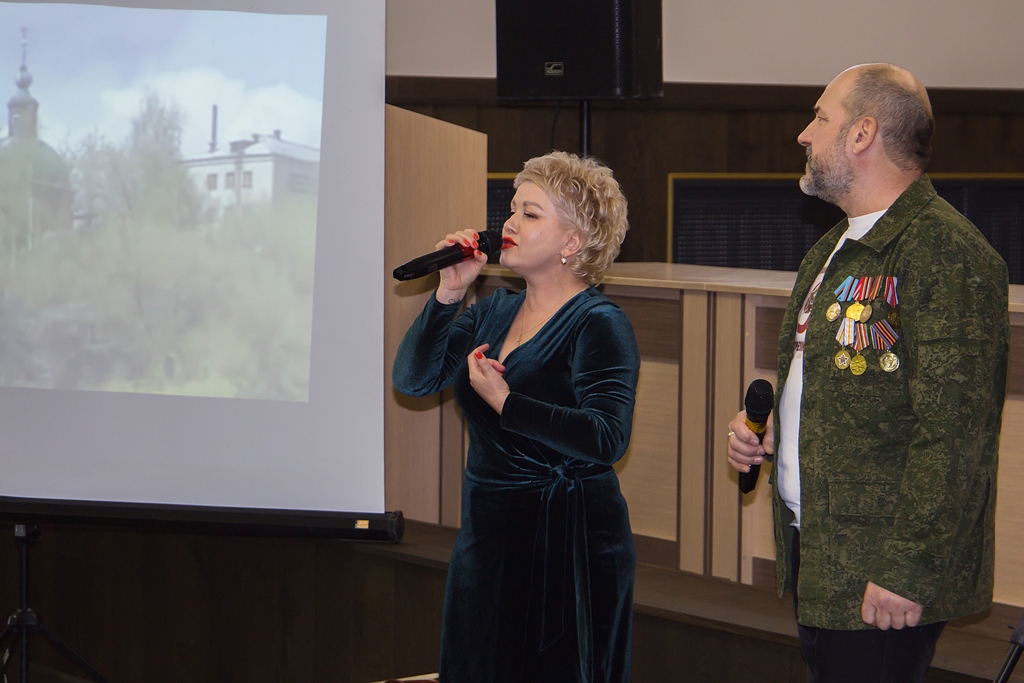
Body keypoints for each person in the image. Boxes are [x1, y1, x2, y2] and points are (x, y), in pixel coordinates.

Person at [727, 63, 1010, 683]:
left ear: (862, 134)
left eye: (820, 117)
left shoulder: (944, 252)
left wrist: (908, 568)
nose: (805, 135)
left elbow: (956, 434)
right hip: (823, 547)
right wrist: (776, 433)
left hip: (881, 565)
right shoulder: (833, 248)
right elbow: (848, 390)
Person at [392, 151, 640, 683]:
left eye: (530, 213)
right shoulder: (492, 310)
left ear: (572, 243)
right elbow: (413, 381)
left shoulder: (599, 324)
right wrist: (450, 292)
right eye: (511, 209)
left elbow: (607, 437)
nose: (508, 223)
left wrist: (508, 403)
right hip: (487, 539)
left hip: (570, 546)